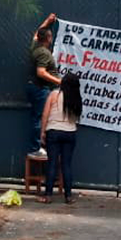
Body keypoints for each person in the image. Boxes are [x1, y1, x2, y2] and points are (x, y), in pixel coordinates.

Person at [38, 71, 82, 204]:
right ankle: (68, 196)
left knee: (52, 163)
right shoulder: (76, 98)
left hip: (54, 132)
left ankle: (48, 195)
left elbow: (45, 114)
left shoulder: (54, 95)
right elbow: (77, 119)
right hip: (70, 133)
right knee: (66, 165)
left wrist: (42, 132)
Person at [26, 13, 61, 155]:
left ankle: (39, 147)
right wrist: (59, 81)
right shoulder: (44, 53)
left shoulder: (35, 46)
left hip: (35, 87)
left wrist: (47, 21)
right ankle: (37, 148)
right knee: (40, 117)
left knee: (38, 116)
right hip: (40, 89)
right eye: (50, 36)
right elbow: (41, 72)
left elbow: (36, 34)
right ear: (48, 39)